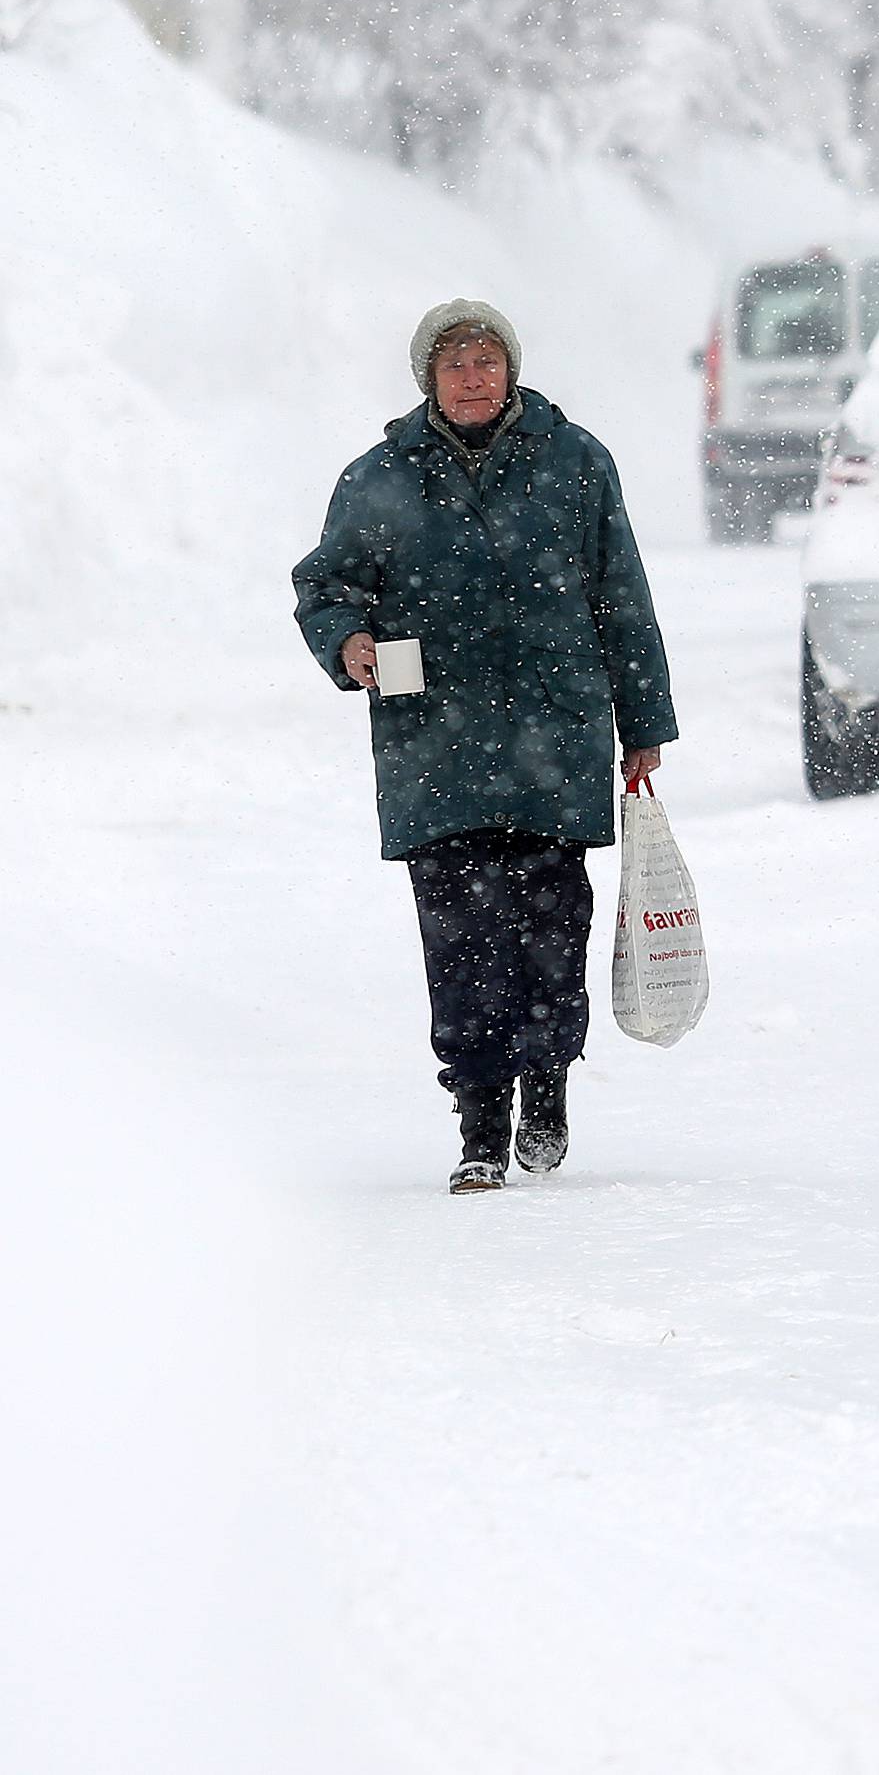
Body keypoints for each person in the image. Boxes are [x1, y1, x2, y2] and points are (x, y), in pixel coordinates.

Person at [293, 300, 677, 1195]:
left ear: (511, 370)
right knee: (461, 939)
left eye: (487, 360)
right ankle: (477, 1117)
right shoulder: (378, 479)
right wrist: (348, 643)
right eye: (455, 363)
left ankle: (545, 1088)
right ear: (429, 377)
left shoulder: (576, 463)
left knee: (551, 926)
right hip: (436, 750)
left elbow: (623, 595)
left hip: (557, 733)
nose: (473, 376)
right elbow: (326, 586)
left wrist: (645, 724)